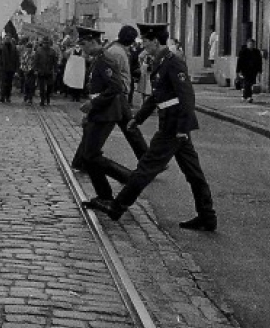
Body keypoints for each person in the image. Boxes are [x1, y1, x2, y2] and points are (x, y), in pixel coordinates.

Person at [85, 23, 217, 232]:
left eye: (146, 41)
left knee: (145, 169)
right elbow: (157, 96)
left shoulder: (173, 62)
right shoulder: (160, 61)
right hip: (172, 125)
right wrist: (138, 119)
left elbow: (187, 97)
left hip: (173, 128)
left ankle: (117, 207)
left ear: (155, 41)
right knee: (194, 173)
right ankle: (207, 217)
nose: (143, 44)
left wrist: (182, 128)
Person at [73, 27, 134, 203]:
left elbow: (116, 87)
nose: (82, 48)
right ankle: (105, 194)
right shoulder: (98, 59)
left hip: (106, 113)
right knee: (89, 155)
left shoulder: (105, 59)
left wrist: (93, 104)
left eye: (84, 44)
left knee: (90, 155)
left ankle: (126, 179)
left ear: (93, 41)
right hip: (99, 112)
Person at [101, 25, 149, 162]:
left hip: (118, 93)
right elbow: (113, 75)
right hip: (117, 94)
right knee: (130, 127)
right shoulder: (117, 52)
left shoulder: (118, 49)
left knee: (103, 128)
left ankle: (82, 158)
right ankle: (146, 159)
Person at [236, 38, 263, 103]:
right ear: (247, 44)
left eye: (253, 44)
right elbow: (239, 61)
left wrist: (260, 70)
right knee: (247, 83)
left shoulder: (256, 52)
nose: (251, 45)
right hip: (245, 70)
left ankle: (244, 96)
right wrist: (238, 70)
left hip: (253, 70)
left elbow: (259, 61)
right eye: (250, 44)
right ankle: (249, 96)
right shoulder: (243, 51)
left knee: (250, 83)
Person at [33, 38, 58, 106]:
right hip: (41, 71)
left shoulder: (52, 51)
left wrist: (55, 70)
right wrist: (35, 69)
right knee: (41, 87)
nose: (46, 44)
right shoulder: (38, 51)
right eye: (45, 43)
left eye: (47, 43)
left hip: (49, 72)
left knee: (50, 86)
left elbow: (55, 62)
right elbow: (35, 61)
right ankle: (42, 100)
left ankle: (47, 97)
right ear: (42, 43)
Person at [0, 34, 20, 103]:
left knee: (9, 83)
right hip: (4, 68)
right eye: (6, 38)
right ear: (4, 39)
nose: (7, 40)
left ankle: (8, 96)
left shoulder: (14, 47)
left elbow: (17, 58)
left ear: (10, 39)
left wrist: (16, 69)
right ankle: (2, 97)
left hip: (11, 68)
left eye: (8, 39)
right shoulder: (2, 47)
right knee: (3, 83)